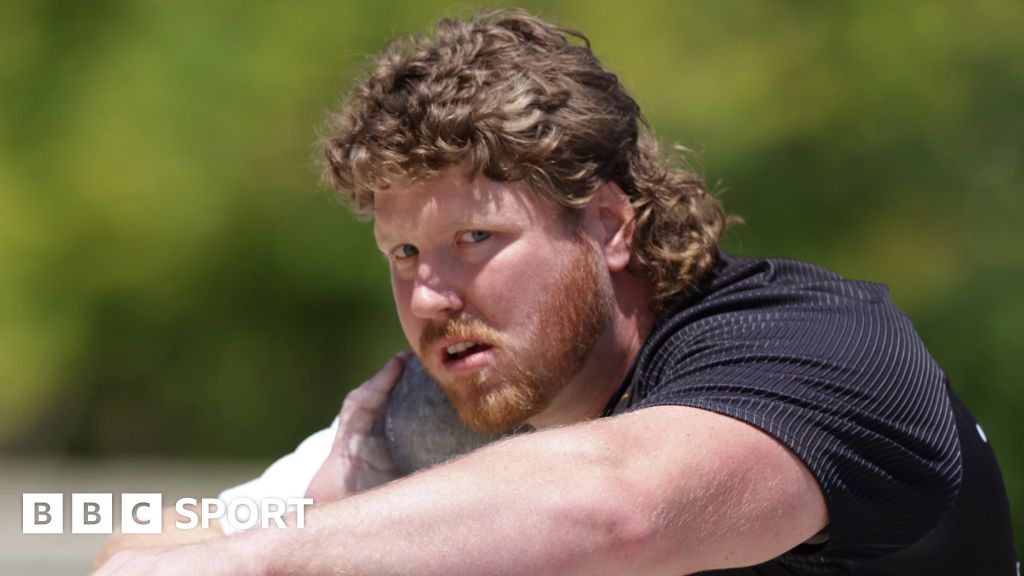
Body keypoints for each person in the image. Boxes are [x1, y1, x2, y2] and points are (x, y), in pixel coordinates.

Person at [94, 8, 1018, 575]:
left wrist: (283, 555)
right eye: (404, 250)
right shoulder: (431, 415)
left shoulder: (819, 352)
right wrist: (312, 512)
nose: (429, 295)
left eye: (475, 239)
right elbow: (155, 548)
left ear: (612, 224)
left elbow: (616, 508)